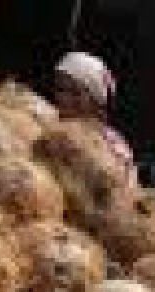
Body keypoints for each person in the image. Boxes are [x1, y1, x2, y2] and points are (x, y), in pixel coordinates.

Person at [53, 51, 137, 190]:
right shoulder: (45, 127)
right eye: (60, 89)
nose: (63, 98)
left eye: (75, 93)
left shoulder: (114, 148)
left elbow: (120, 195)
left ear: (96, 101)